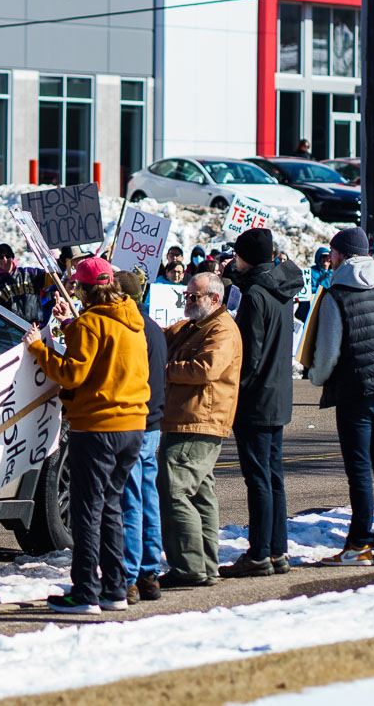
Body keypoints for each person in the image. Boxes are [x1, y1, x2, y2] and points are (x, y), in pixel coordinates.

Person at [23, 257, 148, 614]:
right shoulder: (130, 320)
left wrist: (39, 349)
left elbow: (72, 374)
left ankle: (85, 592)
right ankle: (114, 589)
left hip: (98, 427)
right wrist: (70, 323)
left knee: (86, 511)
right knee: (110, 508)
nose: (73, 289)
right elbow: (101, 348)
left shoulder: (93, 323)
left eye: (77, 286)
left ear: (86, 289)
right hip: (132, 427)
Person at [309, 227, 374, 567]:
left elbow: (327, 352)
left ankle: (360, 545)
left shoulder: (336, 293)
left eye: (333, 252)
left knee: (360, 470)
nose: (331, 257)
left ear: (340, 254)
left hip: (355, 390)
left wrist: (316, 377)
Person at [219, 227, 302, 578]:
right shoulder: (281, 285)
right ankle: (277, 550)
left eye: (238, 255)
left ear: (247, 257)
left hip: (256, 396)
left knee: (259, 480)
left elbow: (248, 354)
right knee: (273, 476)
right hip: (279, 391)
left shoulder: (254, 295)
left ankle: (259, 553)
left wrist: (234, 391)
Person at [157, 271, 241, 587]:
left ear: (214, 299)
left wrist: (163, 371)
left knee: (174, 489)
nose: (187, 301)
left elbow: (205, 369)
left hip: (198, 420)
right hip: (187, 417)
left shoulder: (222, 329)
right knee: (200, 495)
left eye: (194, 297)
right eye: (187, 295)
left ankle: (188, 567)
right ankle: (205, 565)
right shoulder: (195, 325)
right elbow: (162, 335)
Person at [114, 270, 166, 603]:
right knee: (147, 498)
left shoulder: (132, 329)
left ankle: (130, 575)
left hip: (137, 422)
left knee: (131, 501)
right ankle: (149, 571)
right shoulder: (154, 329)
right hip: (153, 423)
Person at [0, 243, 52, 326]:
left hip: (36, 326)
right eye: (1, 257)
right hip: (12, 331)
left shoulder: (29, 273)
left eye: (8, 256)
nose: (4, 260)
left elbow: (53, 278)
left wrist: (62, 261)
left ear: (12, 258)